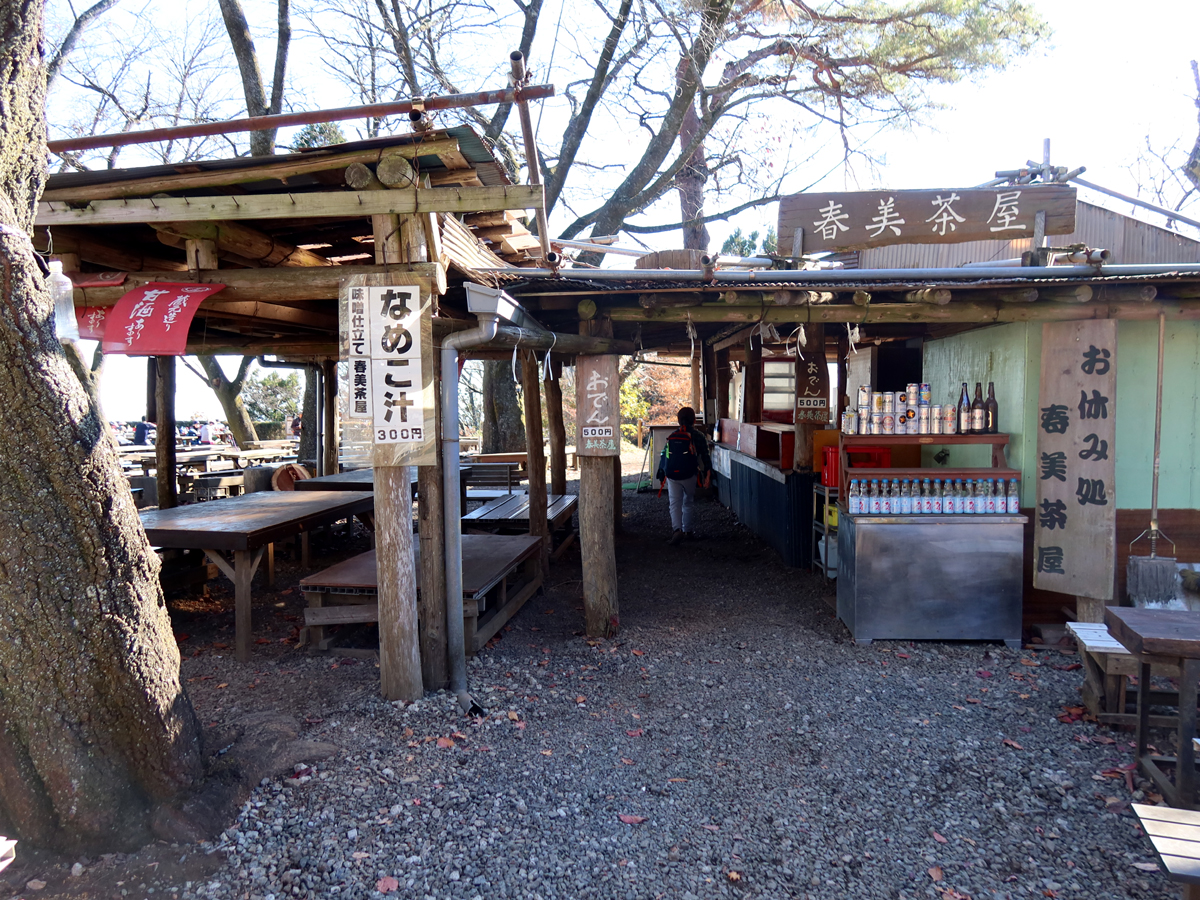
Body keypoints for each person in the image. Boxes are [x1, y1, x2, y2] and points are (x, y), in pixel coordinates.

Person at [655, 406, 711, 545]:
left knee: (674, 502)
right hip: (690, 474)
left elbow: (664, 456)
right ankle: (688, 530)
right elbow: (705, 457)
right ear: (694, 420)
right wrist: (708, 475)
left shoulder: (673, 436)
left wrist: (662, 472)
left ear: (679, 420)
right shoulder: (699, 436)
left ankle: (677, 530)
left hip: (673, 475)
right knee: (688, 501)